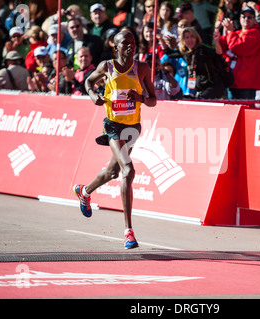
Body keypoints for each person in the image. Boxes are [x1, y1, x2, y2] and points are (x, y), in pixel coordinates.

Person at [73, 30, 157, 249]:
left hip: (133, 128)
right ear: (116, 47)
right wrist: (93, 97)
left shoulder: (143, 68)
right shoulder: (106, 67)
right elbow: (88, 83)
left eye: (133, 43)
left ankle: (84, 191)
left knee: (113, 172)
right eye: (125, 43)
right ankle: (128, 232)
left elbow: (153, 100)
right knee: (128, 170)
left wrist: (140, 98)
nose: (130, 46)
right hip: (113, 126)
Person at [215, 6, 260, 100]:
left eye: (250, 17)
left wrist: (230, 31)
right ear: (239, 19)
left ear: (254, 19)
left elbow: (237, 47)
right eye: (244, 16)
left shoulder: (256, 33)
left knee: (246, 111)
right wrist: (219, 34)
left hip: (246, 83)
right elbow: (222, 49)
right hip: (233, 80)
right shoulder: (237, 33)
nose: (246, 19)